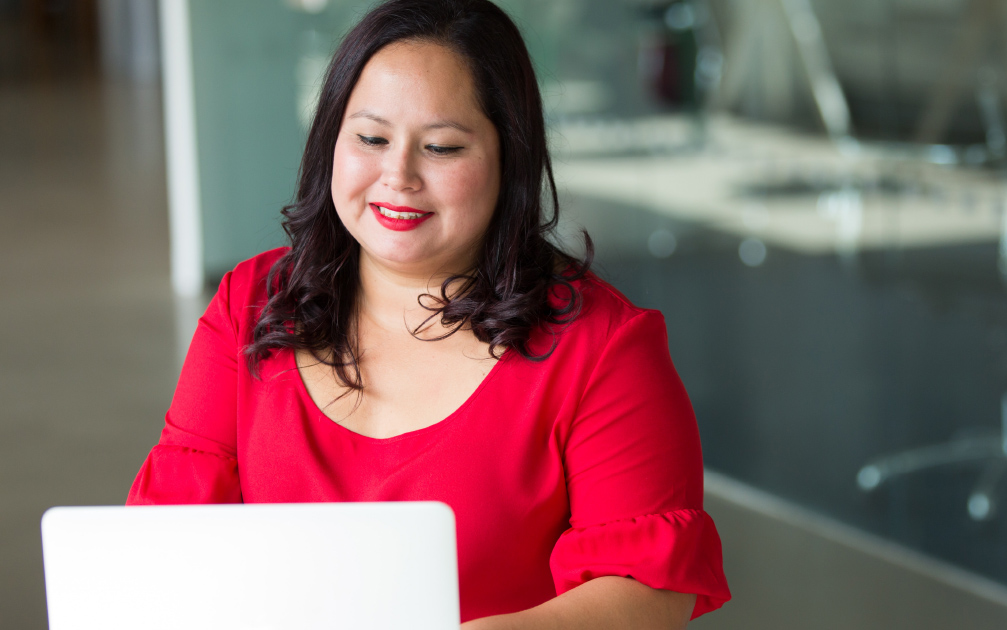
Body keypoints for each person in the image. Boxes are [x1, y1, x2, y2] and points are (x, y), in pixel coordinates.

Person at [127, 0, 730, 626]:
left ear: (509, 158)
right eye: (370, 138)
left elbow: (646, 591)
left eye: (441, 147)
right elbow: (171, 535)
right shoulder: (249, 303)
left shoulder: (603, 348)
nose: (399, 175)